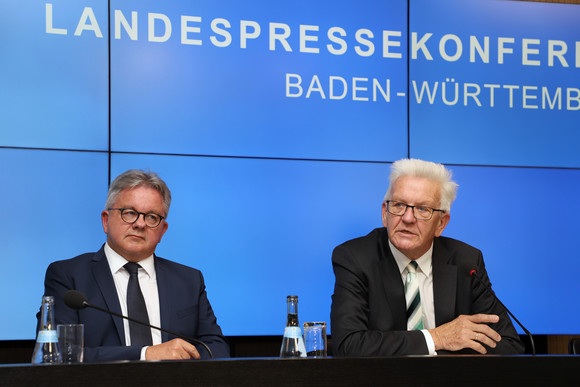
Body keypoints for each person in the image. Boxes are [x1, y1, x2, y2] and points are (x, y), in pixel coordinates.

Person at [330, 158, 524, 356]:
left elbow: (509, 346)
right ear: (384, 213)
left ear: (442, 223)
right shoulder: (355, 258)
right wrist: (437, 338)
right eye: (398, 204)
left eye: (423, 209)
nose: (407, 218)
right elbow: (347, 345)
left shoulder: (466, 262)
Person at [37, 169, 230, 362]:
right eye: (129, 213)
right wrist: (146, 354)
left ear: (162, 231)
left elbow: (217, 349)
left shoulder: (188, 280)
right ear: (105, 220)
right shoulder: (68, 276)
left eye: (152, 217)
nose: (140, 224)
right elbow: (58, 353)